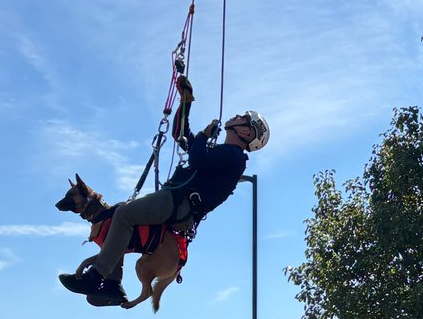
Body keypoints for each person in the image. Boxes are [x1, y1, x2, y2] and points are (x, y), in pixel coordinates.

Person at [58, 108, 270, 306]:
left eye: (242, 117)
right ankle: (113, 286)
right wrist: (185, 100)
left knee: (123, 214)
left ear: (245, 131)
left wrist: (204, 135)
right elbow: (180, 134)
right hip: (175, 200)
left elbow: (197, 160)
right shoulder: (221, 152)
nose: (236, 115)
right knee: (118, 219)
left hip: (179, 204)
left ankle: (96, 277)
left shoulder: (234, 158)